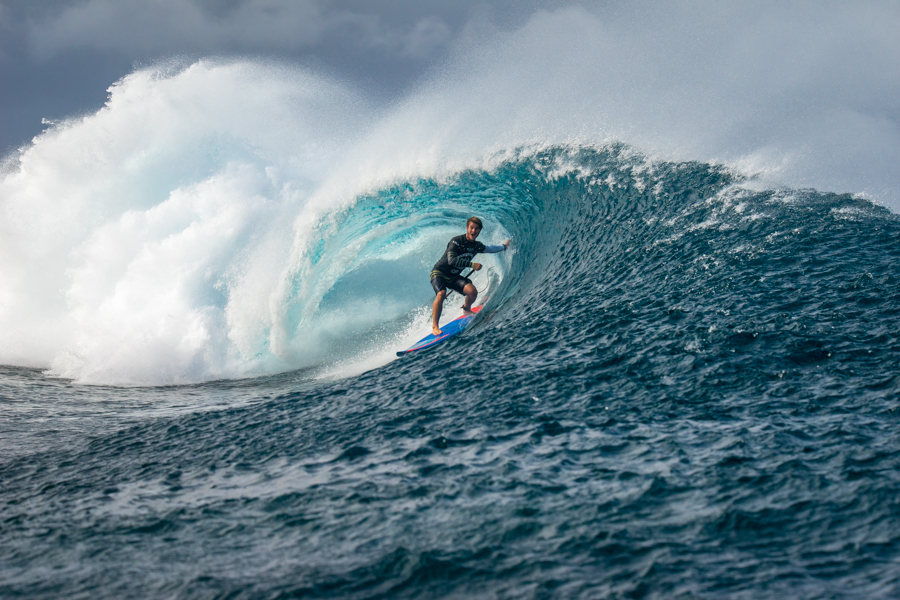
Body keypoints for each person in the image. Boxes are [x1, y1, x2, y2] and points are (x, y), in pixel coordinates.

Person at [430, 216, 510, 336]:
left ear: (479, 230)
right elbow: (451, 260)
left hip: (453, 276)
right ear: (467, 228)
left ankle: (466, 310)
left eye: (476, 229)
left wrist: (504, 247)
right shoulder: (456, 241)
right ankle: (435, 326)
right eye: (471, 228)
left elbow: (489, 248)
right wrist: (472, 265)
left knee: (472, 292)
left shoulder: (476, 246)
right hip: (439, 273)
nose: (473, 231)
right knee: (441, 293)